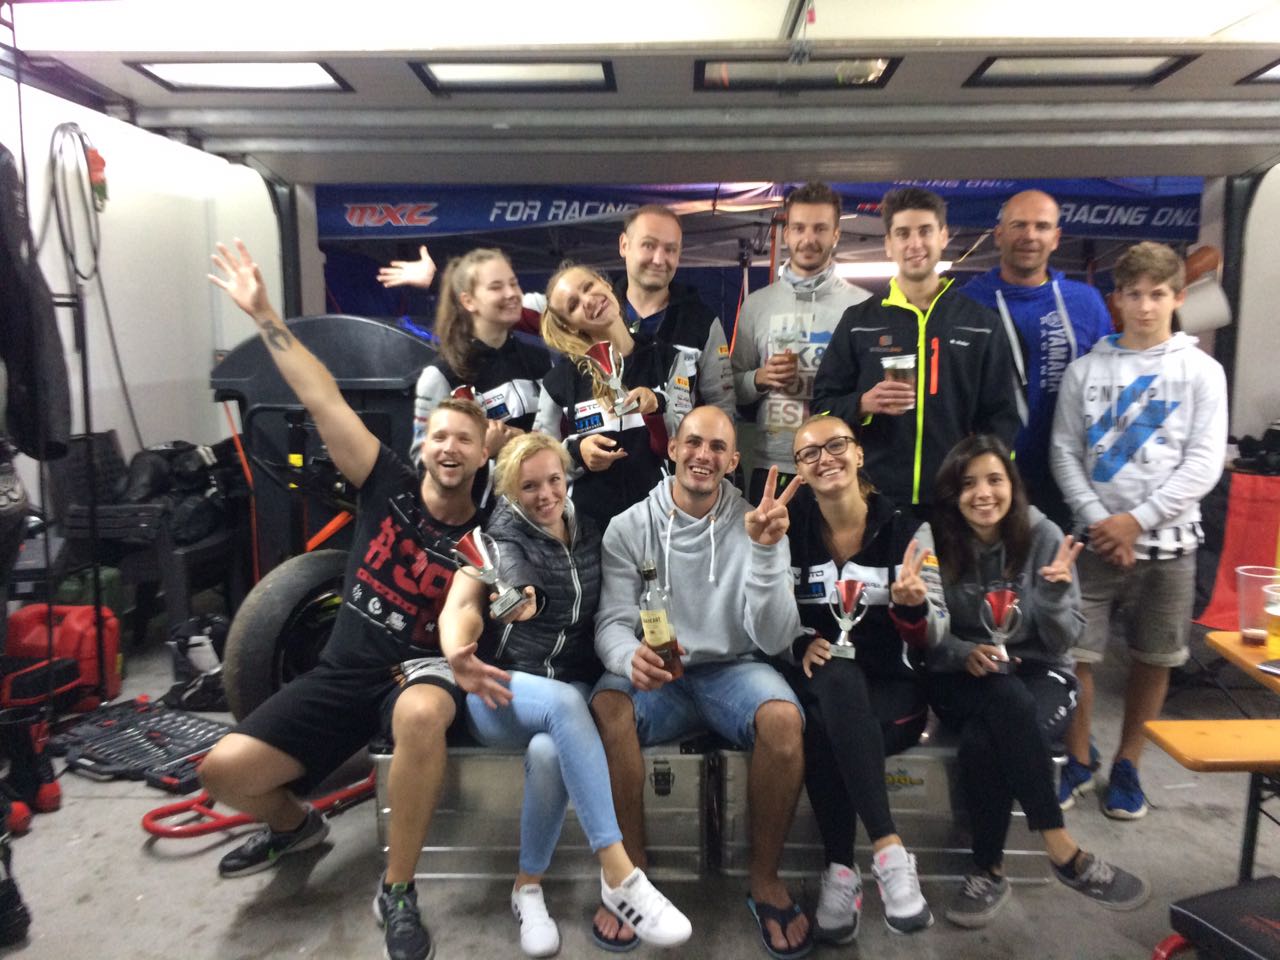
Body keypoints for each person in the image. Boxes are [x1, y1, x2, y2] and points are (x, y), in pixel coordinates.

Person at [202, 240, 510, 960]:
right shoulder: (385, 480)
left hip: (419, 675)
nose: (449, 448)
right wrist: (265, 314)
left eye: (464, 441)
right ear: (423, 443)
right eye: (439, 436)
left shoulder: (490, 532)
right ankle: (295, 828)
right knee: (222, 771)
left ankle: (397, 888)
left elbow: (474, 602)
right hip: (343, 673)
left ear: (482, 454)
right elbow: (320, 395)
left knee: (422, 711)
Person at [438, 432, 691, 957]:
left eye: (553, 480)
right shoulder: (500, 538)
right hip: (499, 690)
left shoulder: (589, 531)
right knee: (568, 704)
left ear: (567, 478)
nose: (545, 494)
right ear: (510, 492)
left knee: (550, 750)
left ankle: (526, 888)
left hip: (564, 695)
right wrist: (499, 616)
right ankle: (619, 872)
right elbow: (489, 593)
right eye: (529, 486)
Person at [590, 406, 812, 959]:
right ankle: (630, 876)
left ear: (733, 461)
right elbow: (612, 622)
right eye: (693, 442)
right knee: (607, 707)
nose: (703, 456)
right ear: (672, 449)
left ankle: (765, 879)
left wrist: (765, 552)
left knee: (784, 720)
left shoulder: (759, 521)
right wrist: (629, 658)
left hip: (732, 669)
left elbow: (775, 637)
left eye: (717, 448)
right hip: (658, 674)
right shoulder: (628, 526)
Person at [925, 434, 1149, 927]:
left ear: (1013, 485)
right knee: (1004, 699)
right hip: (963, 673)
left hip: (1038, 668)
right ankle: (1062, 847)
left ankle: (987, 869)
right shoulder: (934, 540)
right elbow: (927, 635)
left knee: (986, 738)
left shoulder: (1043, 534)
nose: (983, 494)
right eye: (968, 484)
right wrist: (963, 652)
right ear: (952, 494)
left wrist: (1051, 598)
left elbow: (1064, 640)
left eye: (994, 480)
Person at [1050, 241, 1228, 819]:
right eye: (1134, 294)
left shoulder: (1202, 372)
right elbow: (1064, 452)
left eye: (1158, 294)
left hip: (1170, 546)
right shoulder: (1085, 371)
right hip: (1093, 542)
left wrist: (1137, 521)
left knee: (1156, 658)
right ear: (1117, 300)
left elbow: (1203, 462)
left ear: (1179, 297)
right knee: (1076, 655)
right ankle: (1079, 758)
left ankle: (1128, 763)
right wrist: (1102, 522)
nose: (1146, 306)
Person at [784, 414, 939, 940]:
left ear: (858, 454)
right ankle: (889, 852)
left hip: (892, 695)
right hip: (820, 679)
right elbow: (764, 613)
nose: (824, 459)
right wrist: (798, 642)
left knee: (825, 729)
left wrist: (913, 610)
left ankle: (840, 870)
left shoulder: (906, 529)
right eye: (809, 453)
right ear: (800, 470)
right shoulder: (789, 530)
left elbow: (935, 631)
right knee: (835, 679)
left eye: (836, 446)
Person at [811, 187, 1020, 521]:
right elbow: (822, 407)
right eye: (903, 233)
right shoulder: (859, 322)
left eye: (925, 231)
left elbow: (1002, 419)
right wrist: (863, 404)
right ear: (888, 244)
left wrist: (980, 482)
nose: (915, 244)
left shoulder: (980, 324)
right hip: (872, 500)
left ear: (943, 236)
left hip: (955, 503)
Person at [960, 190, 1113, 529]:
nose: (1030, 235)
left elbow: (1111, 388)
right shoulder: (965, 303)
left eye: (1041, 226)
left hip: (1071, 480)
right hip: (990, 479)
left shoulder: (1086, 303)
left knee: (1060, 564)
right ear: (999, 234)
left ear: (1056, 238)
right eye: (1019, 225)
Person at [731, 183, 871, 501]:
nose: (808, 239)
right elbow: (730, 387)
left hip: (837, 466)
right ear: (787, 234)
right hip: (773, 466)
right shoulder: (757, 305)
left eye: (820, 228)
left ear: (836, 234)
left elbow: (869, 392)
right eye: (799, 228)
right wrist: (759, 378)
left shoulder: (862, 305)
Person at [534, 264, 690, 528]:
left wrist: (657, 406)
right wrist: (577, 452)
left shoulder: (667, 360)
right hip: (591, 529)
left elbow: (687, 443)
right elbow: (540, 460)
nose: (588, 300)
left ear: (605, 284)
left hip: (660, 522)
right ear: (570, 327)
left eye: (588, 287)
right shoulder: (558, 382)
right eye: (573, 305)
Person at [404, 247, 550, 469]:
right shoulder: (441, 376)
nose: (511, 293)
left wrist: (521, 441)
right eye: (496, 287)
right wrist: (481, 452)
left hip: (545, 488)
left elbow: (559, 439)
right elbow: (424, 464)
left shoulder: (539, 358)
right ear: (468, 301)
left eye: (514, 283)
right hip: (481, 492)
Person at [614, 205, 736, 419]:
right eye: (648, 245)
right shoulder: (595, 315)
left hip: (676, 441)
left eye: (670, 249)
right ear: (624, 245)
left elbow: (721, 406)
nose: (659, 259)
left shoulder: (703, 322)